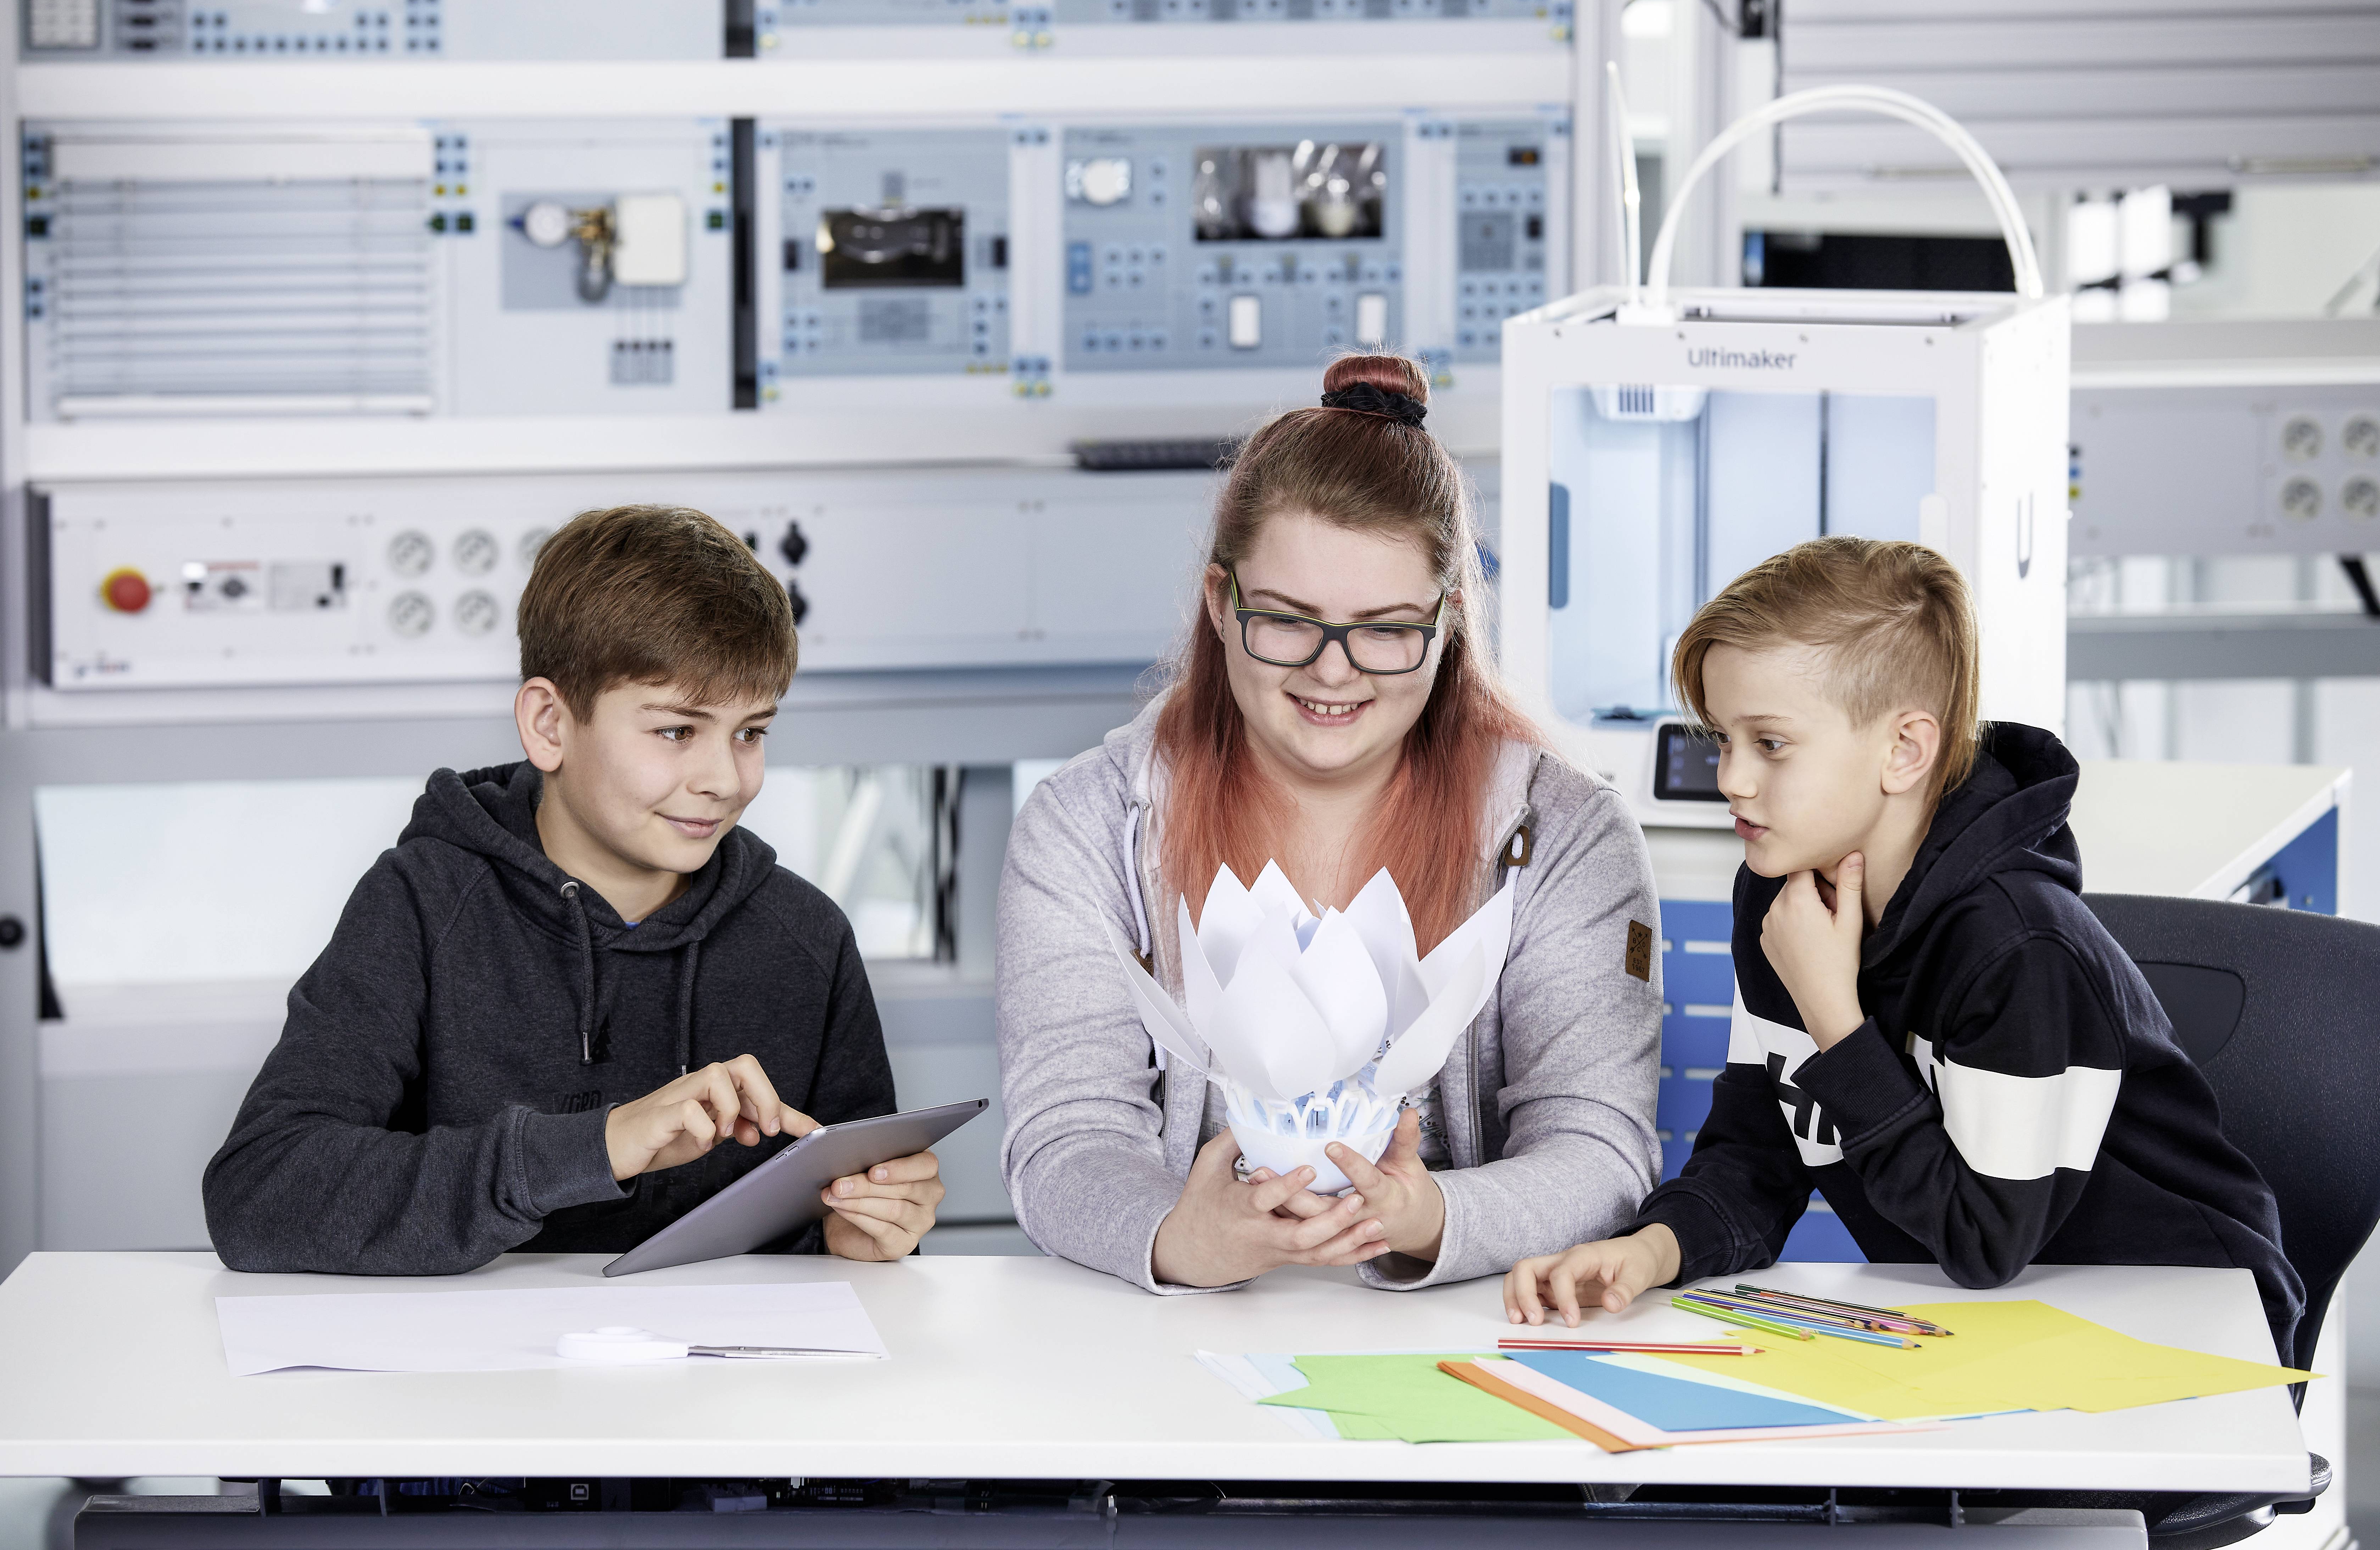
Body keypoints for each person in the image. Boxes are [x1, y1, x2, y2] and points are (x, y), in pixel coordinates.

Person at [1504, 537, 2302, 1356]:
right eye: (1722, 739)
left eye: (1771, 745)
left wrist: (1836, 1022)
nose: (1732, 780)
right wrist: (1652, 1250)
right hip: (1993, 1330)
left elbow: (1982, 1241)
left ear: (1905, 751)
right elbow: (1758, 1154)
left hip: (2186, 1330)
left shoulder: (2016, 946)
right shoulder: (1782, 901)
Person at [998, 353, 1662, 1294]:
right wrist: (1180, 1235)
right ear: (1222, 606)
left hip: (1462, 1355)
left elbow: (1600, 1143)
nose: (1334, 670)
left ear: (1449, 624)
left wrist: (1431, 1218)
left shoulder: (1567, 836)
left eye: (1386, 627)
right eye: (1288, 619)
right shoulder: (1082, 829)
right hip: (1167, 1351)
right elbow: (1062, 1140)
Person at [204, 505, 945, 1274]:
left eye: (750, 733)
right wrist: (598, 1146)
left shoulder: (808, 939)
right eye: (675, 731)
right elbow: (261, 1195)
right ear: (550, 725)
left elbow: (827, 1221)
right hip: (466, 1383)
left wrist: (860, 1232)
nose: (726, 780)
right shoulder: (422, 904)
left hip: (723, 1386)